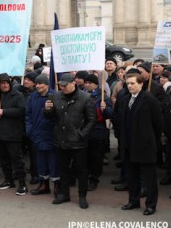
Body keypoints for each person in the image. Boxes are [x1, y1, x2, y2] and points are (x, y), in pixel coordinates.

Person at [44, 73, 96, 209]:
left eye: (65, 85)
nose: (62, 88)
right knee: (63, 168)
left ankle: (82, 196)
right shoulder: (55, 96)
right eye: (60, 85)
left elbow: (92, 120)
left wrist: (81, 134)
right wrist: (47, 110)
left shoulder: (86, 98)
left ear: (74, 83)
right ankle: (64, 194)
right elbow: (50, 117)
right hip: (61, 139)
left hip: (78, 142)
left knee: (81, 170)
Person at [119, 73, 163, 216]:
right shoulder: (125, 99)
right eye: (128, 83)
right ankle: (133, 201)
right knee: (132, 177)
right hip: (129, 146)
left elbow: (158, 124)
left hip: (145, 147)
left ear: (141, 84)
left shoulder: (150, 100)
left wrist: (150, 141)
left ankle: (150, 205)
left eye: (132, 83)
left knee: (149, 179)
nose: (130, 86)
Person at [0, 73, 27, 195]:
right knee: (3, 159)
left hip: (13, 133)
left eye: (6, 83)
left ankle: (22, 183)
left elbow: (21, 110)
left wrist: (4, 112)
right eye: (2, 83)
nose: (4, 85)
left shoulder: (17, 95)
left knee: (17, 160)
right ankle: (8, 180)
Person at [26, 73, 59, 196]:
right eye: (37, 83)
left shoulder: (55, 96)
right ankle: (44, 185)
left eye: (40, 83)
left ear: (47, 84)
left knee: (53, 162)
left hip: (51, 135)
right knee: (41, 162)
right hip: (37, 135)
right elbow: (28, 115)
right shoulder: (33, 97)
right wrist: (30, 130)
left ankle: (57, 185)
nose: (38, 86)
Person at [83, 74, 113, 191]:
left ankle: (94, 178)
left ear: (96, 84)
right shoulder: (80, 94)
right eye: (86, 82)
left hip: (97, 131)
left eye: (90, 83)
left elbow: (110, 115)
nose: (87, 85)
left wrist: (104, 109)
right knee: (84, 157)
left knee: (96, 157)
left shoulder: (103, 97)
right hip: (84, 130)